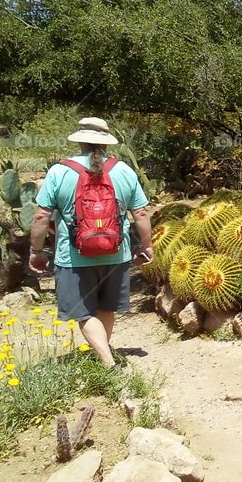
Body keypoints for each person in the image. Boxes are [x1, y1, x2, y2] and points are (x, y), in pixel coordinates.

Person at [28, 117, 153, 368]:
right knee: (107, 306)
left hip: (73, 256)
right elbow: (140, 213)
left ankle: (107, 363)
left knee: (83, 312)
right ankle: (103, 357)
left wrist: (36, 250)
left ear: (80, 141)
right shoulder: (124, 171)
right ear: (106, 143)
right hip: (117, 253)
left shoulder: (59, 171)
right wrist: (146, 245)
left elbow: (42, 216)